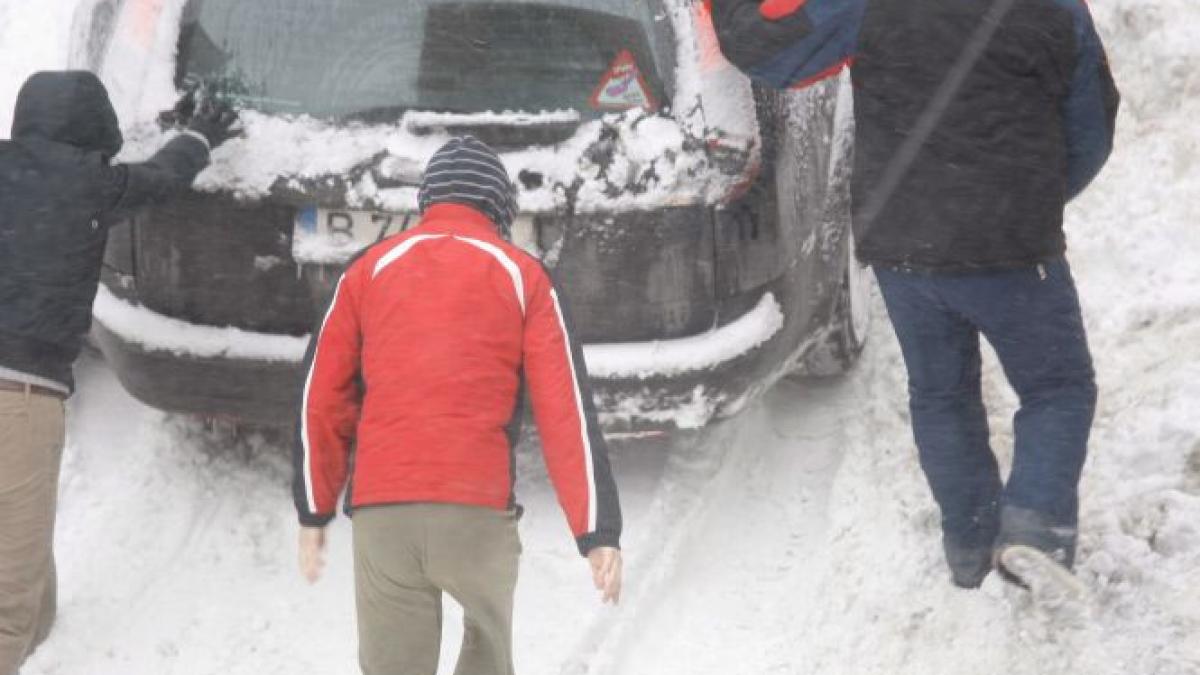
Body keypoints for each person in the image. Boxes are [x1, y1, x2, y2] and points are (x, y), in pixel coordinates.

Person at [711, 0, 1119, 589]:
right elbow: (1093, 128)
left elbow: (773, 55)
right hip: (1012, 248)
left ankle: (970, 545)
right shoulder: (1059, 9)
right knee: (1058, 387)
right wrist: (1037, 196)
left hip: (904, 246)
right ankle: (1035, 532)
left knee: (941, 392)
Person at [293, 136, 623, 675]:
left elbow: (321, 397)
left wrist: (314, 506)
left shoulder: (367, 269)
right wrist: (597, 532)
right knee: (488, 656)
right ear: (498, 209)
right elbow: (568, 414)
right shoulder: (525, 276)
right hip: (477, 513)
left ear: (427, 201)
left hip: (384, 512)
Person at [0, 71, 238, 673]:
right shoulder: (91, 184)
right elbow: (163, 177)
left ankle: (44, 645)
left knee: (21, 558)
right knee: (7, 592)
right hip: (22, 397)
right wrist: (200, 137)